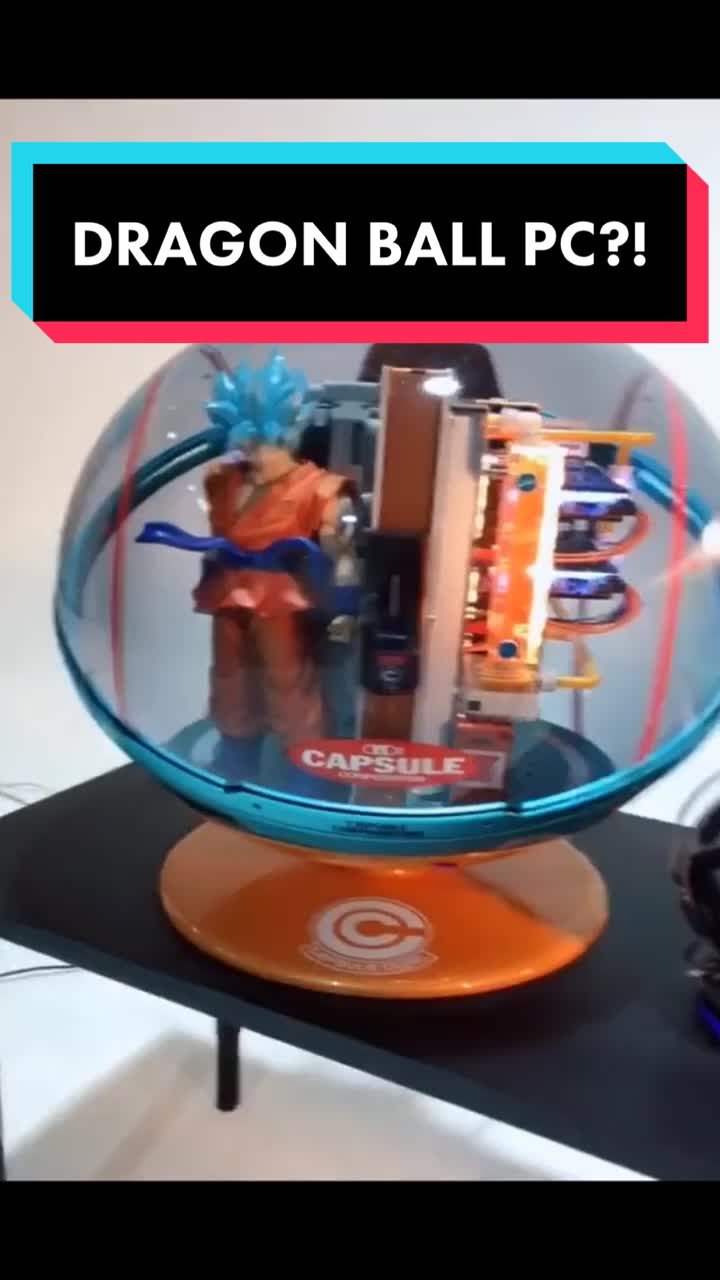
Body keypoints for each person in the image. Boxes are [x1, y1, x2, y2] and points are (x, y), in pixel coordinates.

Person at [193, 354, 358, 792]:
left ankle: (305, 771)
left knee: (288, 683)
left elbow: (343, 557)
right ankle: (236, 756)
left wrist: (344, 606)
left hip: (282, 597)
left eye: (257, 439)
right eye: (243, 438)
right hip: (228, 589)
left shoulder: (320, 490)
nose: (250, 451)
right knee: (230, 678)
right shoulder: (223, 480)